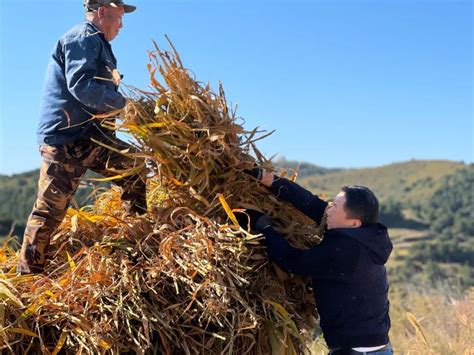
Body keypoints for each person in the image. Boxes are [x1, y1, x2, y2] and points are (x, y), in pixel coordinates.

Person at [17, 0, 146, 274]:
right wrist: (125, 104)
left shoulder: (100, 45)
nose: (122, 25)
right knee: (49, 211)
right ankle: (29, 275)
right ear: (102, 12)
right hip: (65, 138)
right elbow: (82, 86)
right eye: (119, 17)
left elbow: (99, 97)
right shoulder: (82, 37)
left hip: (91, 138)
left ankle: (137, 235)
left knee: (134, 165)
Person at [241, 168, 394, 355]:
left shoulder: (346, 253)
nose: (329, 210)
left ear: (354, 222)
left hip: (356, 351)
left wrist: (264, 227)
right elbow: (312, 204)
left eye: (335, 207)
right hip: (376, 347)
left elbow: (291, 261)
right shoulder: (365, 238)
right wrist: (270, 180)